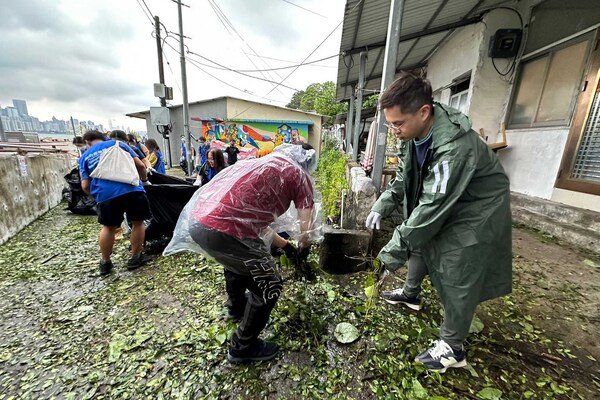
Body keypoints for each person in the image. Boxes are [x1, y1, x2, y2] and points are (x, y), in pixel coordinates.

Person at [366, 72, 512, 372]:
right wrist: (382, 204)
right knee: (422, 237)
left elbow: (433, 206)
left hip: (476, 206)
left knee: (459, 266)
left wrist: (393, 250)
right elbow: (405, 178)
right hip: (447, 195)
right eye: (390, 123)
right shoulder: (413, 135)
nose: (393, 130)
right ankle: (411, 294)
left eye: (397, 123)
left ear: (423, 112)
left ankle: (453, 348)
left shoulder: (454, 146)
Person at [187, 143, 317, 363]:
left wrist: (284, 245)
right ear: (308, 163)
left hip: (198, 223)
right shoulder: (299, 176)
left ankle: (236, 309)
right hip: (226, 231)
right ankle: (242, 347)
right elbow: (308, 229)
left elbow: (254, 223)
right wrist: (303, 249)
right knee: (270, 284)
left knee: (236, 261)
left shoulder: (260, 164)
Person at [79, 130, 153, 275]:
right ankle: (135, 258)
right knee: (138, 223)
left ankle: (105, 263)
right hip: (132, 189)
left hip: (106, 195)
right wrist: (144, 181)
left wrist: (96, 196)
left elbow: (85, 185)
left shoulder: (84, 157)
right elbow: (140, 166)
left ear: (87, 143)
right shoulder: (118, 144)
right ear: (104, 138)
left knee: (109, 227)